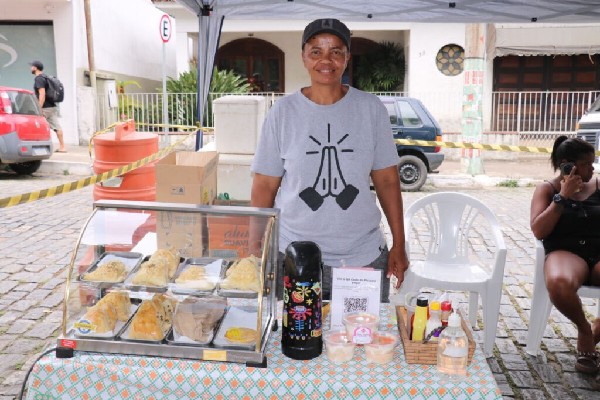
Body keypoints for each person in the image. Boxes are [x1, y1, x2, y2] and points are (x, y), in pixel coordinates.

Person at [250, 18, 409, 303]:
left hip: (362, 258)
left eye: (336, 51)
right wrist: (254, 249)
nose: (326, 60)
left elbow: (387, 180)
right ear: (303, 57)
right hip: (294, 257)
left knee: (362, 331)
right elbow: (264, 185)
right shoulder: (283, 113)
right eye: (316, 51)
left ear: (347, 58)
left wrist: (400, 244)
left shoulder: (370, 109)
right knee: (297, 331)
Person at [530, 135, 600, 375]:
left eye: (593, 163)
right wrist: (563, 197)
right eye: (586, 164)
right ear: (567, 165)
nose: (592, 168)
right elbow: (539, 230)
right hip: (566, 252)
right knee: (559, 282)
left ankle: (597, 330)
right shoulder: (547, 190)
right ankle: (584, 329)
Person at [30, 60, 66, 152]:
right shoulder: (45, 77)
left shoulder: (39, 78)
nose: (31, 68)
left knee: (38, 126)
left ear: (35, 68)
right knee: (57, 127)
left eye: (32, 66)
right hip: (52, 107)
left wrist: (39, 108)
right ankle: (62, 147)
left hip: (45, 108)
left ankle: (40, 146)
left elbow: (42, 94)